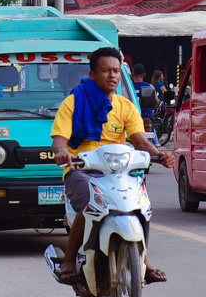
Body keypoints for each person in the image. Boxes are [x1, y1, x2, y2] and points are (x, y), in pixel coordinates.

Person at [50, 48, 175, 284]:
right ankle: (68, 258)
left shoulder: (125, 106)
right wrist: (63, 152)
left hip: (118, 170)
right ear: (92, 74)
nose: (112, 76)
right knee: (90, 203)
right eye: (106, 70)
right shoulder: (73, 103)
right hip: (81, 170)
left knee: (141, 206)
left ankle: (143, 259)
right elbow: (59, 142)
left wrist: (161, 155)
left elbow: (140, 141)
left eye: (116, 71)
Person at [132, 63, 159, 131]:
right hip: (147, 117)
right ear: (144, 74)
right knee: (153, 137)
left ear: (133, 74)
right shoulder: (150, 87)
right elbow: (156, 102)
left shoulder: (128, 88)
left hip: (133, 117)